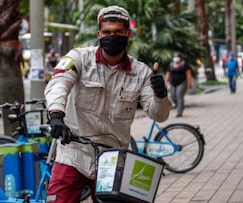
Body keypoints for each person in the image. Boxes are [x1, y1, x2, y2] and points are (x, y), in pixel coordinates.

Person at [44, 5, 171, 203]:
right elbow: (58, 84)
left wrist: (161, 95)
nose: (112, 36)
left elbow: (159, 115)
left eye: (119, 32)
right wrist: (56, 114)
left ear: (128, 34)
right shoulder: (78, 58)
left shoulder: (142, 73)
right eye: (107, 32)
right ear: (99, 34)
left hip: (113, 160)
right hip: (74, 152)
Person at [164, 52, 192, 117]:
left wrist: (189, 83)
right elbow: (168, 74)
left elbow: (188, 74)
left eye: (177, 56)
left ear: (180, 58)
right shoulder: (171, 65)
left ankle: (179, 112)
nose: (175, 58)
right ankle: (180, 106)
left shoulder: (184, 65)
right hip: (173, 83)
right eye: (174, 56)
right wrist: (166, 82)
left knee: (179, 95)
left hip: (182, 82)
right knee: (173, 96)